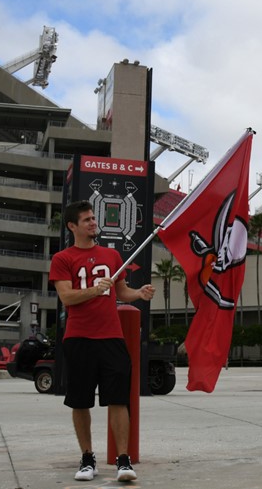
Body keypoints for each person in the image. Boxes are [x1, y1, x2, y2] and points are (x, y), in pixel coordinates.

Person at [50, 201, 155, 483]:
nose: (93, 223)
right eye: (86, 220)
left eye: (93, 218)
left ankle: (123, 460)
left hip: (111, 337)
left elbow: (120, 291)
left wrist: (139, 294)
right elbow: (67, 297)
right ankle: (87, 458)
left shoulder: (111, 254)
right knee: (80, 401)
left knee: (119, 399)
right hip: (79, 337)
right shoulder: (62, 258)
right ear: (72, 226)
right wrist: (95, 290)